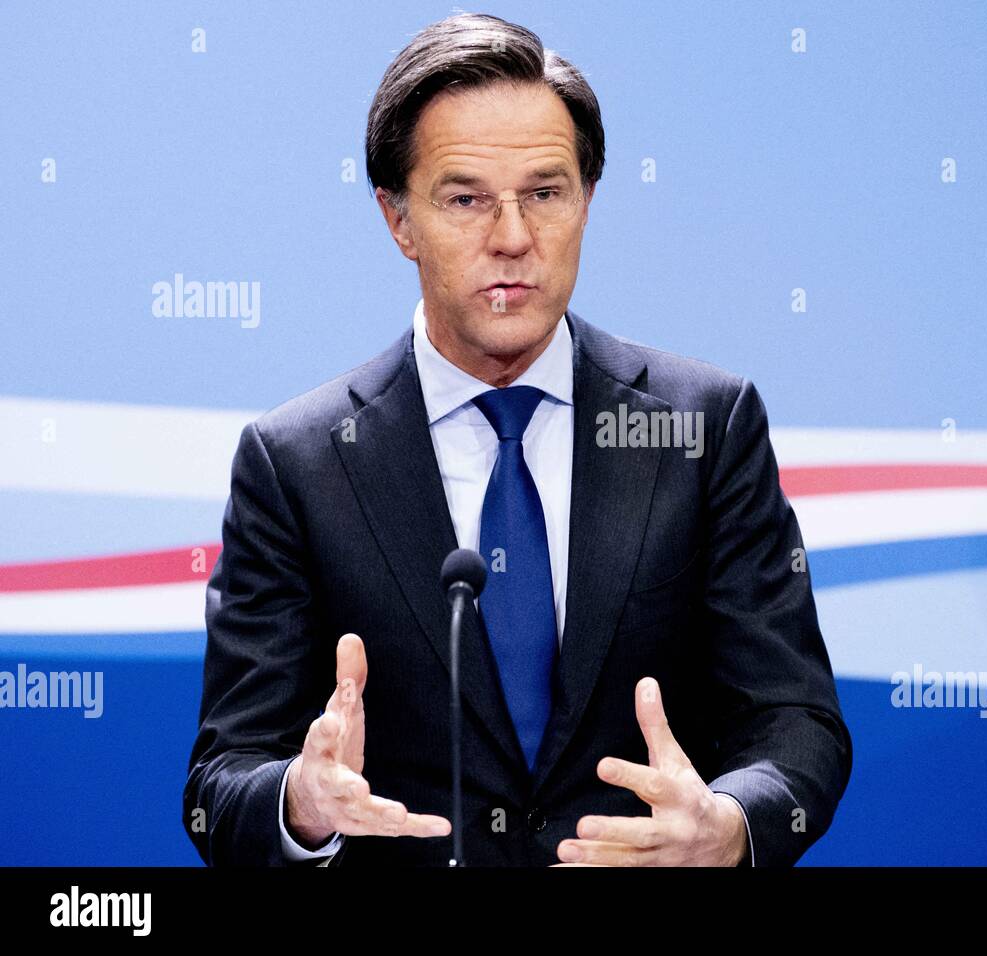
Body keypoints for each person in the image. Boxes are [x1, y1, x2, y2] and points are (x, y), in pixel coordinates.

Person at [183, 12, 851, 867]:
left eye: (545, 192)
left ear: (588, 200)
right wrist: (301, 804)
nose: (512, 238)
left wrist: (729, 825)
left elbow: (798, 721)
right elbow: (219, 783)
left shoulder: (704, 428)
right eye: (465, 199)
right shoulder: (299, 463)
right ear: (397, 218)